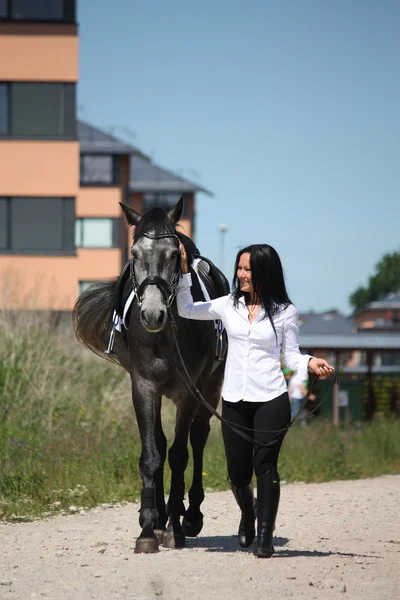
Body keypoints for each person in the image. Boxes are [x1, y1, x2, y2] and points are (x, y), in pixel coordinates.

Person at [176, 243, 334, 558]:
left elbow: (290, 355)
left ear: (264, 272)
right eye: (240, 268)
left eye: (247, 269)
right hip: (234, 399)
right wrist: (183, 272)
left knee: (266, 466)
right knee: (237, 474)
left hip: (271, 399)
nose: (241, 274)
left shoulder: (285, 311)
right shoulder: (227, 305)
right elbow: (187, 310)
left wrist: (310, 362)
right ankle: (248, 513)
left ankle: (264, 537)